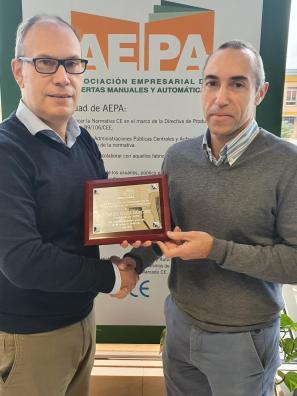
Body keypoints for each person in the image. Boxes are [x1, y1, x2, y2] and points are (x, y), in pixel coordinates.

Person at [122, 40, 297, 396]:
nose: (220, 96)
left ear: (260, 92)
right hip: (181, 325)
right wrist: (133, 261)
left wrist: (215, 249)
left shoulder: (287, 164)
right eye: (211, 82)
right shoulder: (178, 157)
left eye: (237, 83)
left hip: (243, 341)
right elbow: (167, 234)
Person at [0, 14, 138, 396]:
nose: (63, 77)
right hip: (30, 337)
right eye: (46, 63)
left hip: (81, 321)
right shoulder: (7, 151)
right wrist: (111, 277)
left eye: (73, 63)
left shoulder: (81, 138)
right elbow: (23, 261)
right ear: (18, 71)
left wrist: (148, 227)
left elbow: (103, 210)